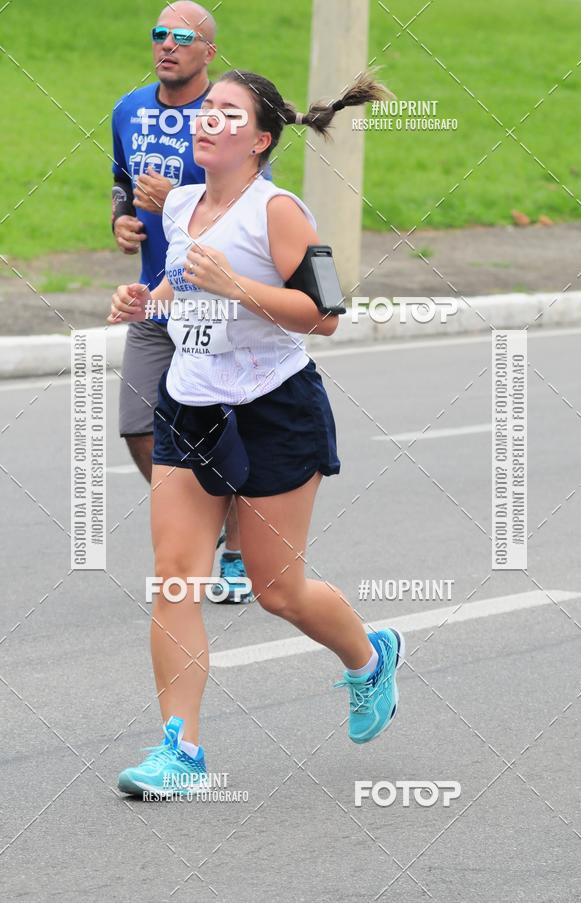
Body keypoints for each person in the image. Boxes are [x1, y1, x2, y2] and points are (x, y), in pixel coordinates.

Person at [109, 68, 404, 797]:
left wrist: (239, 287)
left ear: (261, 139)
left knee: (278, 588)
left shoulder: (280, 213)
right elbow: (182, 284)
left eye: (227, 112)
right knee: (176, 576)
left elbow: (326, 313)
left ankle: (370, 657)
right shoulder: (180, 204)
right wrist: (146, 299)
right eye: (207, 109)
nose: (208, 119)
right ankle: (182, 752)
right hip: (192, 404)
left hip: (275, 405)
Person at [111, 0, 255, 602]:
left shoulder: (223, 114)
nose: (167, 45)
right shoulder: (129, 109)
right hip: (155, 296)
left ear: (208, 53)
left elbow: (251, 192)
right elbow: (120, 178)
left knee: (227, 431)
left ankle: (237, 553)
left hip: (213, 301)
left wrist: (182, 196)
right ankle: (208, 517)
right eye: (158, 35)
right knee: (139, 426)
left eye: (181, 37)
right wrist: (121, 217)